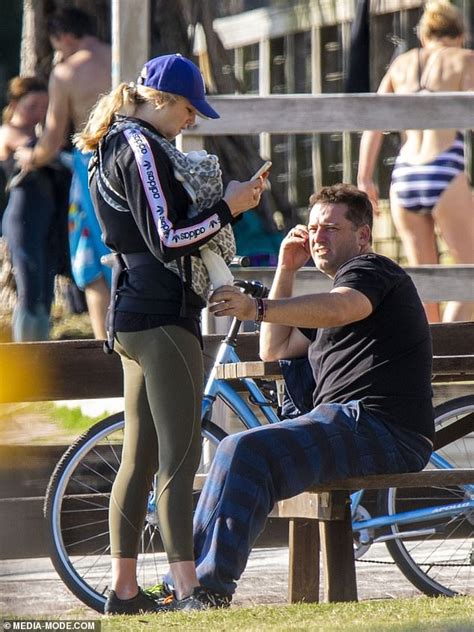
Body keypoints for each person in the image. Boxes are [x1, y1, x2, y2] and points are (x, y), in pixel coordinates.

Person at [148, 183, 433, 606]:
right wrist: (286, 269)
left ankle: (208, 589)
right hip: (351, 421)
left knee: (246, 451)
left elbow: (341, 307)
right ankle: (185, 585)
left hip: (384, 428)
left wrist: (257, 308)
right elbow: (274, 348)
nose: (318, 237)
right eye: (313, 227)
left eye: (331, 228)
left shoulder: (371, 272)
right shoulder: (331, 295)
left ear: (363, 236)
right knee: (233, 448)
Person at [74, 53, 266, 614]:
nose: (191, 120)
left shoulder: (116, 142)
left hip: (134, 315)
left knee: (140, 456)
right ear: (159, 99)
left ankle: (124, 589)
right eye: (187, 108)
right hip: (161, 317)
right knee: (179, 457)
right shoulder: (138, 146)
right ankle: (187, 589)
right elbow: (169, 237)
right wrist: (228, 208)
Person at [357, 0, 474, 323]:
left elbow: (374, 122)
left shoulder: (402, 64)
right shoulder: (465, 60)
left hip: (405, 173)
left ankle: (429, 354)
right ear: (461, 35)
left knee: (423, 282)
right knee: (469, 275)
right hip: (444, 167)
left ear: (424, 36)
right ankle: (452, 342)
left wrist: (364, 178)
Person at [15, 7, 112, 339]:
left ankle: (106, 348)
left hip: (91, 168)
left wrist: (30, 155)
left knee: (94, 260)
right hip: (134, 162)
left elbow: (53, 140)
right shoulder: (123, 57)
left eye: (57, 46)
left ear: (66, 37)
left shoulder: (67, 71)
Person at [0, 76, 69, 341]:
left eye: (44, 107)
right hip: (21, 218)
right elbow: (28, 153)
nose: (38, 113)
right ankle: (26, 351)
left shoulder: (43, 140)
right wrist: (48, 152)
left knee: (46, 288)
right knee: (29, 287)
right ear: (15, 104)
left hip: (47, 220)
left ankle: (42, 346)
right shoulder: (8, 133)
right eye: (33, 105)